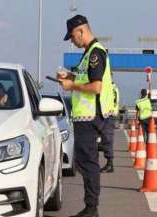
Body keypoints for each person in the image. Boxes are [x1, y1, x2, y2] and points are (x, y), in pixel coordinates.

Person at [58, 14, 114, 217]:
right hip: (87, 117)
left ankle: (92, 209)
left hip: (91, 117)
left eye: (72, 36)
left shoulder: (94, 54)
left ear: (81, 31)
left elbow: (96, 87)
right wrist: (70, 76)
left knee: (88, 163)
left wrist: (72, 85)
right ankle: (90, 208)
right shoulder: (89, 53)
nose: (72, 41)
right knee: (85, 161)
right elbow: (87, 78)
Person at [99, 82, 120, 173]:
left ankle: (109, 164)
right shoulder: (113, 87)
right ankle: (108, 163)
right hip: (107, 114)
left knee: (107, 139)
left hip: (108, 114)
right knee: (105, 139)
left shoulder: (110, 87)